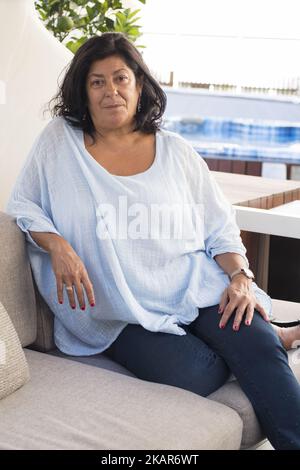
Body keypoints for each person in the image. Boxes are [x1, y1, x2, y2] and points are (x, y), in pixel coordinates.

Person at [6, 33, 300, 450]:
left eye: (121, 78)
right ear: (83, 92)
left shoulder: (176, 151)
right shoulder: (60, 142)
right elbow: (23, 206)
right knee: (197, 373)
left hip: (191, 286)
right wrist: (58, 245)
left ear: (139, 85)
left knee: (252, 341)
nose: (111, 91)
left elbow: (220, 228)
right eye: (97, 82)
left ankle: (266, 344)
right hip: (120, 310)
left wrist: (240, 276)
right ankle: (273, 336)